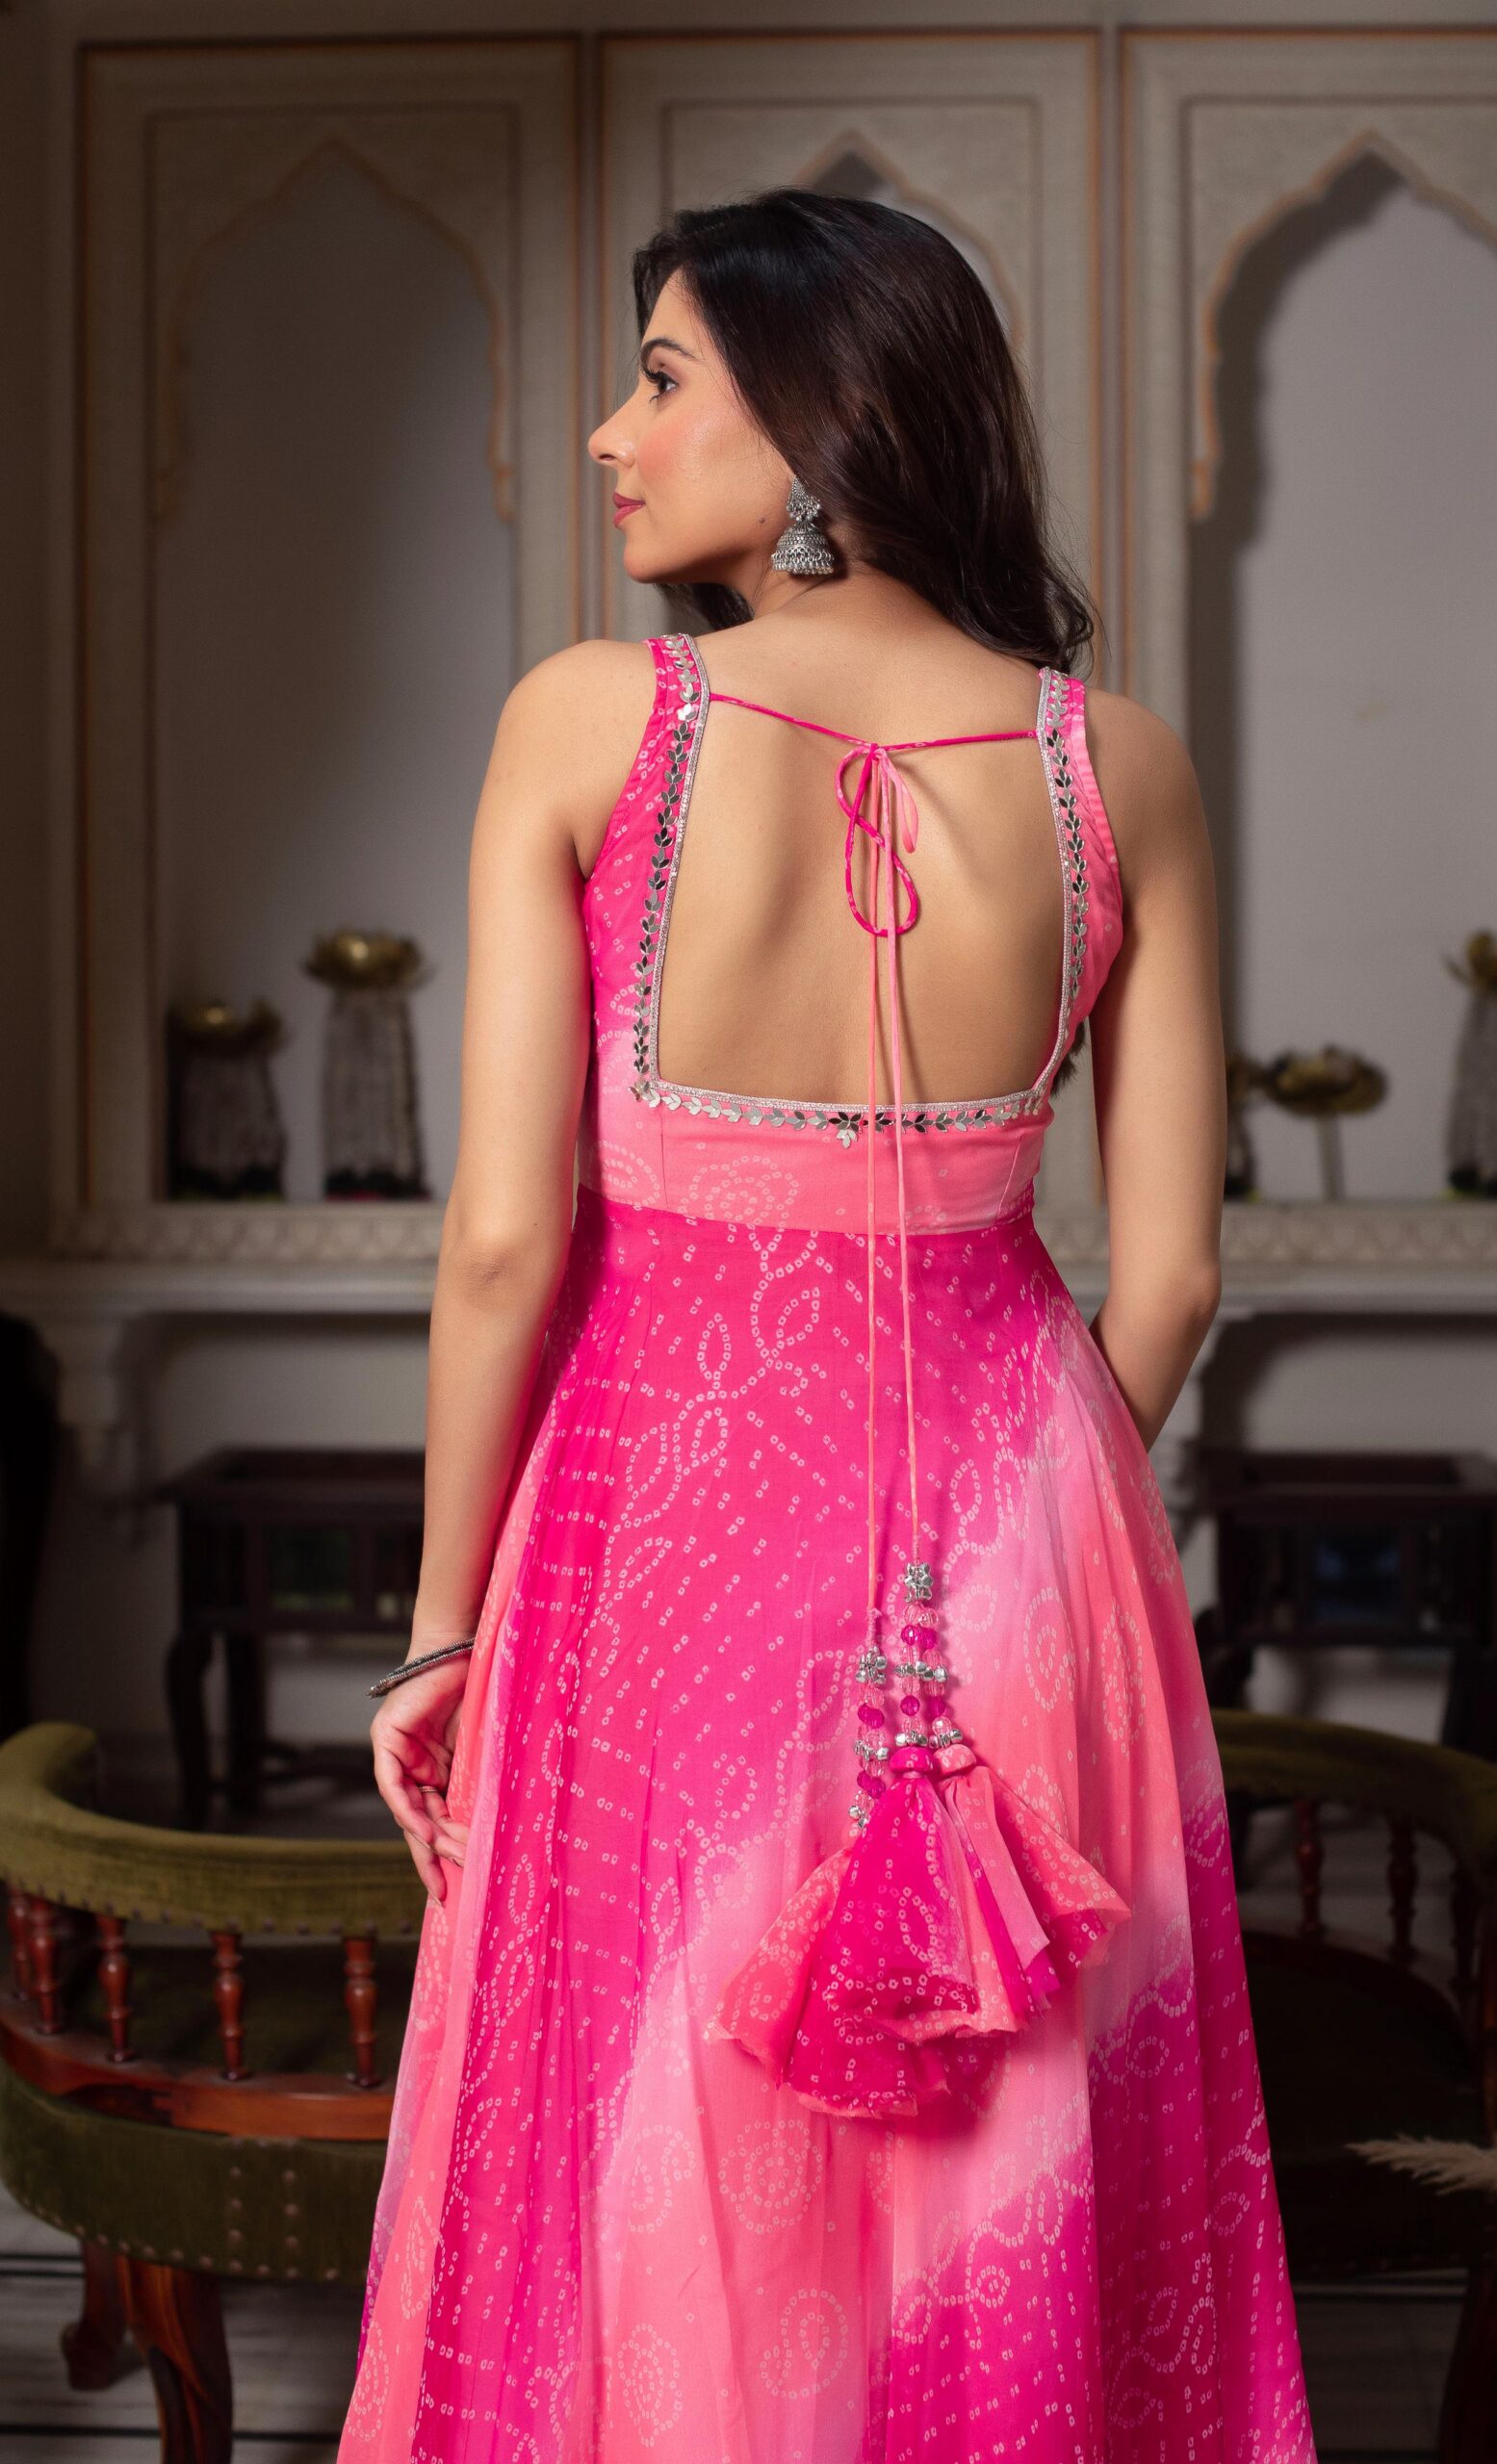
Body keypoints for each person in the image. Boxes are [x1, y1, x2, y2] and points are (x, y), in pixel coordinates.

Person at [340, 188, 1315, 2463]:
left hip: (658, 1531)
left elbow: (504, 1241)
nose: (610, 433)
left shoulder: (587, 724)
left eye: (660, 376)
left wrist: (438, 1622)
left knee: (668, 2115)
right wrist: (1026, 1525)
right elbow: (1172, 1271)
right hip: (1027, 1559)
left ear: (820, 415)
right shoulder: (1115, 763)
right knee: (999, 2137)